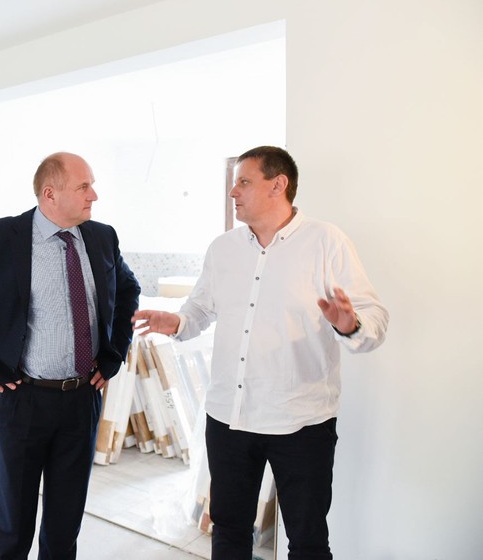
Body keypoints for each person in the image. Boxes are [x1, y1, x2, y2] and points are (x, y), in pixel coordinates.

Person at [133, 146, 388, 559]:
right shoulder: (223, 248)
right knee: (228, 532)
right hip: (229, 418)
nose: (233, 191)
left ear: (278, 185)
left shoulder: (326, 242)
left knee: (307, 541)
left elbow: (373, 318)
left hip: (301, 422)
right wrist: (177, 322)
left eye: (244, 181)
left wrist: (349, 324)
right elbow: (200, 309)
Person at [0, 152, 140, 559]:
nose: (93, 195)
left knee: (65, 522)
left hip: (82, 398)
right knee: (14, 519)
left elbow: (129, 289)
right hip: (23, 397)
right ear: (49, 193)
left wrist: (115, 351)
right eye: (83, 187)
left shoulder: (101, 237)